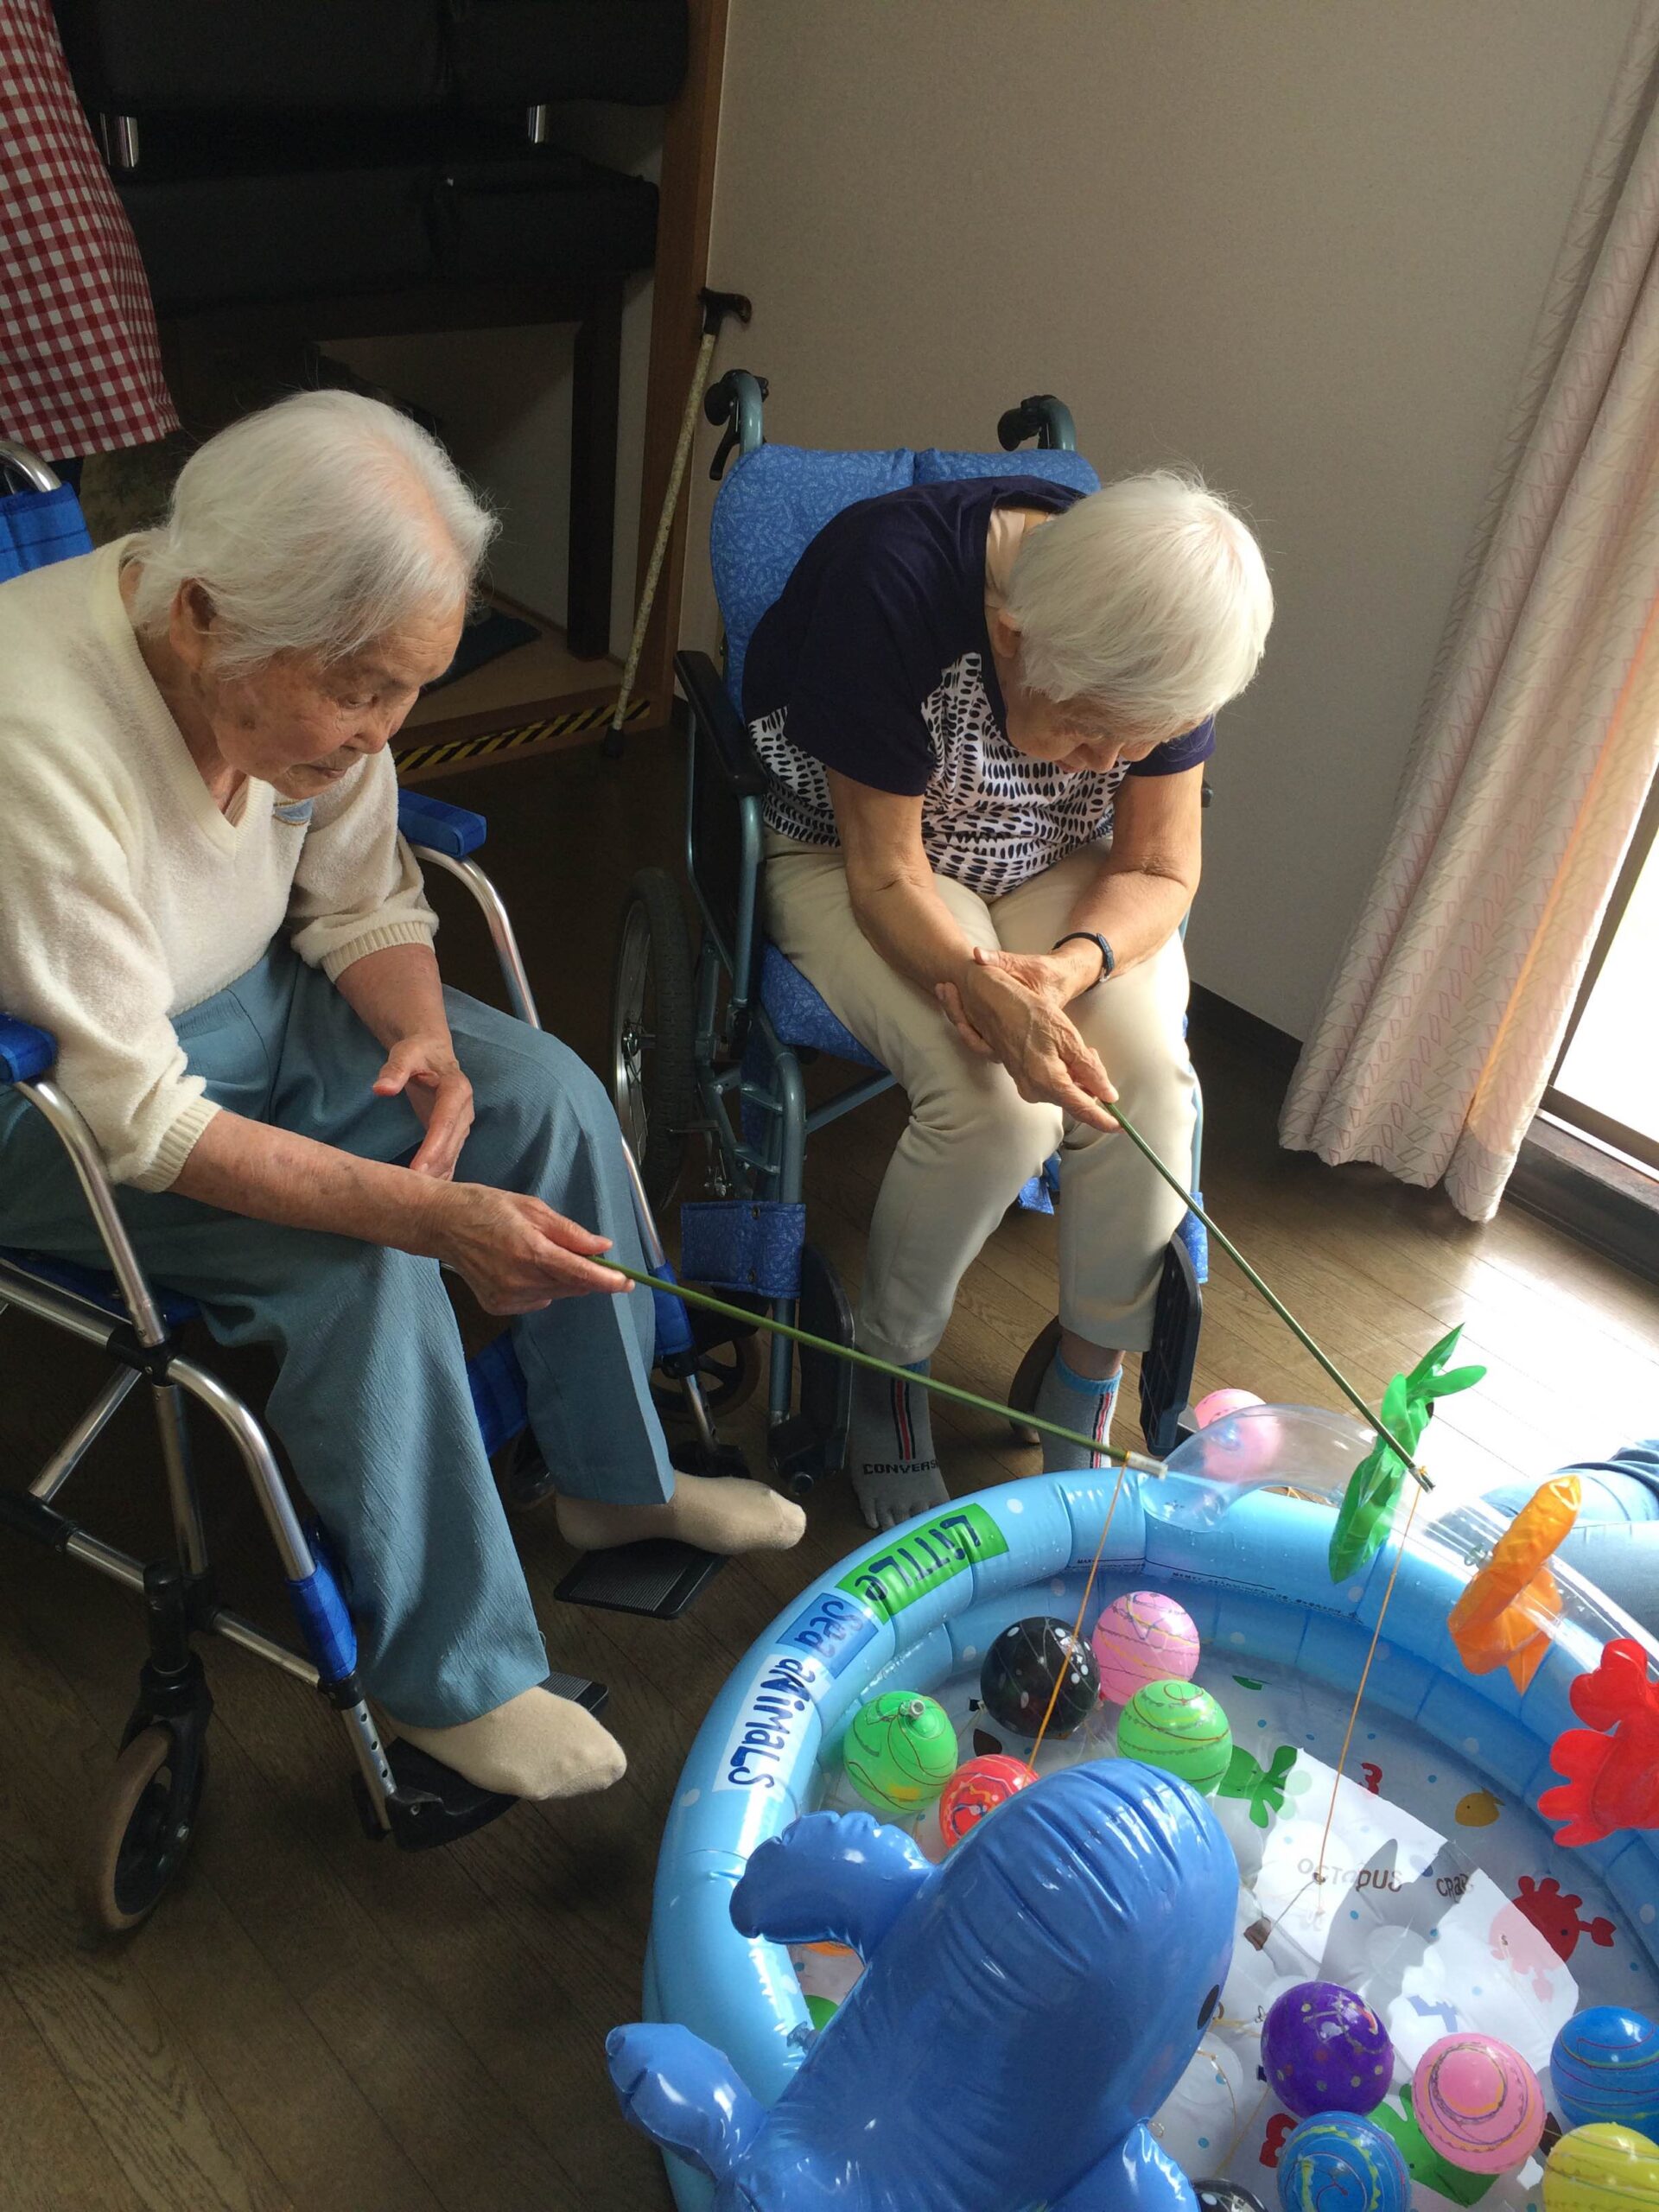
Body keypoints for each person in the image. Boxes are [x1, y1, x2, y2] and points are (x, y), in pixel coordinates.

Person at [0, 391, 803, 1805]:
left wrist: (425, 1041)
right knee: (360, 1262)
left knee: (544, 1095)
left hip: (248, 1000)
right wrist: (417, 1216)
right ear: (199, 620)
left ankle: (617, 1482)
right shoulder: (34, 738)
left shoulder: (296, 676)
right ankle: (455, 1675)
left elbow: (361, 891)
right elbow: (139, 1114)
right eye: (364, 689)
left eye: (414, 687)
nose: (388, 727)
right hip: (56, 1094)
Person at [746, 468, 1273, 1529]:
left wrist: (1072, 969)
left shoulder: (1162, 629)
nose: (1115, 761)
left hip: (1050, 869)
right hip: (859, 860)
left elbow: (1162, 868)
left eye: (1140, 740)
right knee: (995, 1102)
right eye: (1091, 735)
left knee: (1154, 1094)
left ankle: (1087, 1379)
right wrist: (989, 994)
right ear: (1012, 635)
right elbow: (886, 877)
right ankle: (893, 1376)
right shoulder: (886, 585)